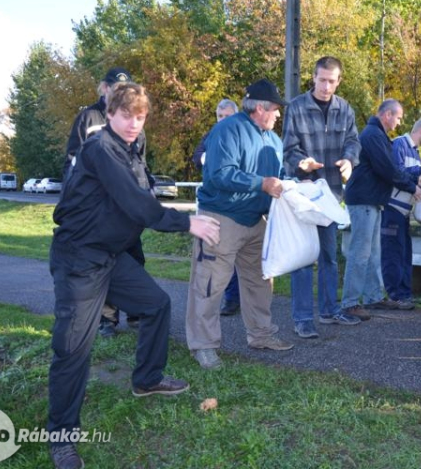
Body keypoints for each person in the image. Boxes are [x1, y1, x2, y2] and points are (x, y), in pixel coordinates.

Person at [47, 83, 221, 469]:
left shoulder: (131, 150)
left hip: (112, 255)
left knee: (156, 304)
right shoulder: (100, 149)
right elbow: (137, 205)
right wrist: (186, 222)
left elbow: (140, 198)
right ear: (110, 115)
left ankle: (147, 378)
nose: (133, 123)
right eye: (126, 115)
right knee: (73, 349)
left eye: (140, 117)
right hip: (80, 258)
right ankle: (61, 437)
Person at [185, 79, 294, 370]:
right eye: (275, 109)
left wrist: (293, 179)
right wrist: (261, 183)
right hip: (221, 218)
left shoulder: (273, 139)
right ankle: (203, 346)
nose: (278, 115)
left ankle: (261, 335)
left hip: (256, 220)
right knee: (210, 283)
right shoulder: (226, 130)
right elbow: (220, 175)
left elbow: (277, 175)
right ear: (259, 108)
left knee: (261, 281)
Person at [63, 66, 147, 338]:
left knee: (134, 259)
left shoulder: (134, 120)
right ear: (104, 88)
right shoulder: (88, 117)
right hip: (99, 209)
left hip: (128, 208)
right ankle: (107, 320)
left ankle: (137, 312)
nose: (120, 92)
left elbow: (141, 163)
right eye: (115, 87)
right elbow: (74, 161)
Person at [283, 56, 362, 338]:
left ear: (339, 81)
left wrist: (349, 160)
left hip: (331, 194)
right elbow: (288, 148)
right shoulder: (296, 107)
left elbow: (353, 141)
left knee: (329, 257)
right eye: (322, 80)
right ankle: (303, 318)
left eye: (332, 81)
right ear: (313, 78)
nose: (326, 86)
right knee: (304, 257)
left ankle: (329, 311)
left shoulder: (345, 109)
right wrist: (301, 162)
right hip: (304, 193)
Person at [340, 99, 421, 319]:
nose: (399, 122)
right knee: (360, 252)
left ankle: (373, 297)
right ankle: (349, 303)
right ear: (387, 115)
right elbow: (387, 169)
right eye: (398, 117)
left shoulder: (377, 135)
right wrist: (411, 185)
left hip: (373, 200)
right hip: (364, 200)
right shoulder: (373, 135)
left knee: (374, 253)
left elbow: (390, 168)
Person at [191, 98, 242, 316]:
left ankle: (242, 299)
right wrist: (210, 158)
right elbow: (196, 156)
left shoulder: (243, 136)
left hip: (240, 205)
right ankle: (230, 299)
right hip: (217, 205)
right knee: (221, 256)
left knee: (243, 258)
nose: (222, 120)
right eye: (219, 116)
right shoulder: (211, 136)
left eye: (227, 116)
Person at [380, 118, 421, 310]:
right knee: (392, 253)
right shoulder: (399, 144)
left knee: (405, 253)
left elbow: (410, 175)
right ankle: (395, 295)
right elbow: (396, 171)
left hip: (405, 210)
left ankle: (405, 293)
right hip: (393, 207)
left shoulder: (416, 152)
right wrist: (419, 172)